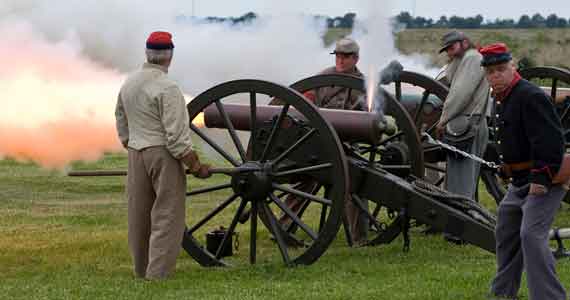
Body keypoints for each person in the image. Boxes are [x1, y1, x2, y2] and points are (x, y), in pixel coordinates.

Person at [115, 31, 210, 280]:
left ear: (147, 53)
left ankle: (141, 270)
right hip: (163, 155)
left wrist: (131, 143)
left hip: (136, 152)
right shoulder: (168, 87)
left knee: (139, 215)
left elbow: (121, 119)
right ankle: (157, 275)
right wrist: (195, 165)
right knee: (167, 215)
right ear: (170, 56)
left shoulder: (130, 81)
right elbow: (176, 137)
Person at [483, 43, 567, 300]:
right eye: (490, 72)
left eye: (500, 69)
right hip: (521, 180)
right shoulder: (503, 97)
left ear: (513, 66)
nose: (495, 75)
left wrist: (540, 180)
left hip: (545, 179)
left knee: (531, 235)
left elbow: (551, 143)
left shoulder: (529, 96)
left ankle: (549, 296)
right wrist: (506, 166)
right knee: (506, 229)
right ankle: (503, 292)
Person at [276, 37, 368, 244]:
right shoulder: (324, 77)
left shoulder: (362, 84)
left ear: (356, 58)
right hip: (318, 140)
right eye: (337, 56)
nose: (340, 61)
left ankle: (359, 236)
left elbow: (366, 114)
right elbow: (305, 101)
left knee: (356, 183)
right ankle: (283, 226)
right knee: (306, 180)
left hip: (346, 143)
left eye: (345, 57)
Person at [434, 31, 490, 242]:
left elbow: (460, 93)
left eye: (452, 47)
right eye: (447, 49)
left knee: (460, 181)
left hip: (465, 123)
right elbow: (449, 79)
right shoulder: (465, 60)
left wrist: (443, 119)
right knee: (464, 180)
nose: (450, 52)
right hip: (471, 122)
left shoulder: (472, 58)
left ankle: (459, 232)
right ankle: (463, 228)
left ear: (464, 43)